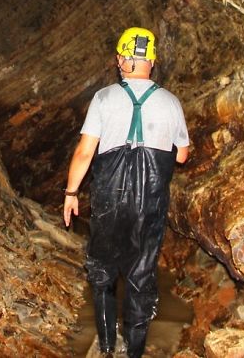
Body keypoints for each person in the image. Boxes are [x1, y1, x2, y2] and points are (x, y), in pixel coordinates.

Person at [63, 27, 189, 358]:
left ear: (121, 59)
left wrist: (70, 193)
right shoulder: (171, 102)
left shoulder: (104, 98)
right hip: (149, 206)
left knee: (102, 272)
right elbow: (182, 155)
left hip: (109, 202)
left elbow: (84, 153)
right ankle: (134, 353)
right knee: (141, 277)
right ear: (152, 62)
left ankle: (106, 346)